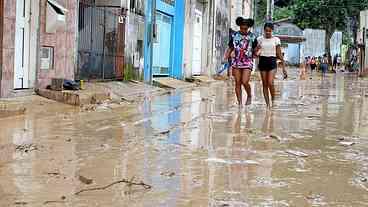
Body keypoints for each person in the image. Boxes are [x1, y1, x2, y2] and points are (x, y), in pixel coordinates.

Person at [224, 17, 258, 106]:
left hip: (247, 62)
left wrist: (256, 53)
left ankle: (249, 96)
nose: (243, 30)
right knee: (237, 82)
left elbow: (256, 49)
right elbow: (230, 48)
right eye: (242, 28)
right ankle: (240, 104)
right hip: (236, 62)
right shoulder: (234, 35)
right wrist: (226, 57)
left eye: (245, 29)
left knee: (245, 81)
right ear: (239, 27)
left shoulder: (252, 36)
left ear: (248, 28)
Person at [257, 22, 285, 108]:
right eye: (266, 31)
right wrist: (256, 50)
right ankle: (267, 104)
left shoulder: (276, 40)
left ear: (272, 30)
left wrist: (284, 67)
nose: (268, 32)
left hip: (272, 61)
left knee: (270, 82)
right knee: (264, 84)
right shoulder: (259, 39)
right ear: (264, 30)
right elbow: (255, 51)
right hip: (262, 61)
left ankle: (273, 100)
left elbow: (279, 54)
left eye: (269, 31)